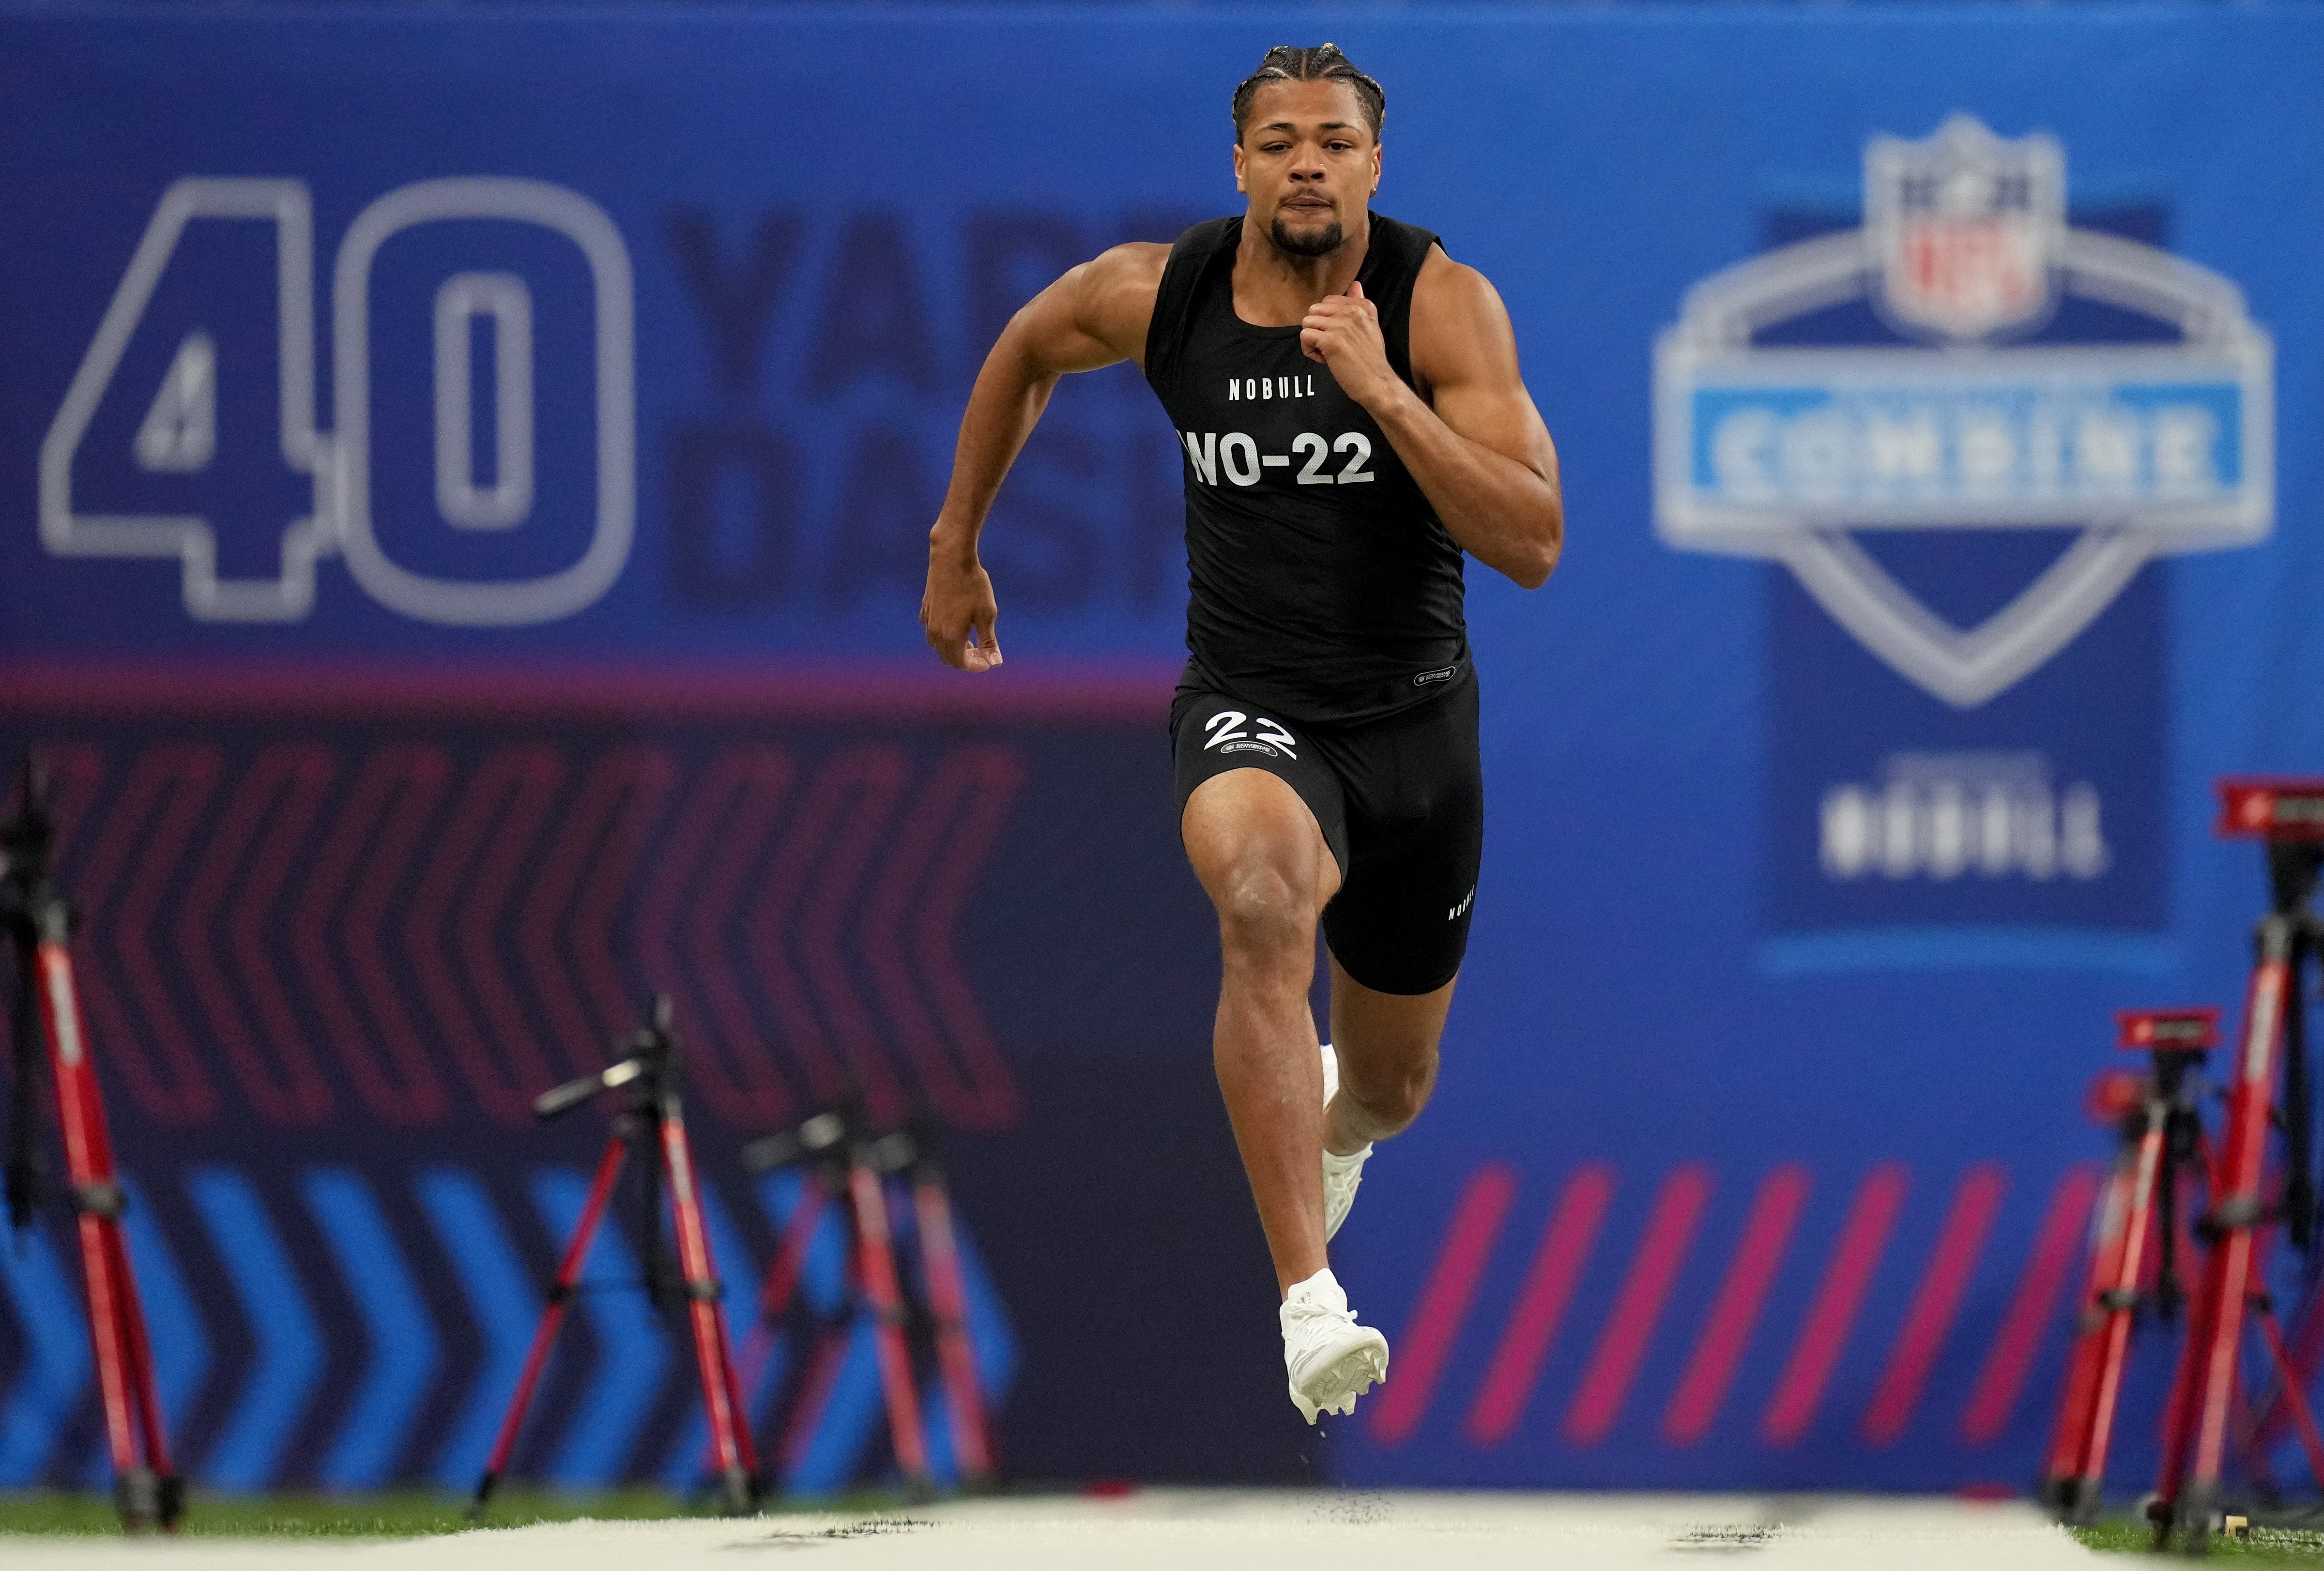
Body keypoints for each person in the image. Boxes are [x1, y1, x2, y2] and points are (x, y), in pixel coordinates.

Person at [920, 42, 1563, 1424]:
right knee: (1263, 903)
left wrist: (1383, 392)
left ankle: (1337, 1120)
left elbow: (1533, 541)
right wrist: (956, 538)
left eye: (1334, 141)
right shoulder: (1161, 292)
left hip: (1415, 729)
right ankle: (1309, 1302)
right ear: (1240, 166)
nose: (1307, 165)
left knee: (1393, 1087)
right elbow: (1027, 348)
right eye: (1279, 143)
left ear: (1376, 166)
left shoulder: (1441, 303)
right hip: (1251, 706)